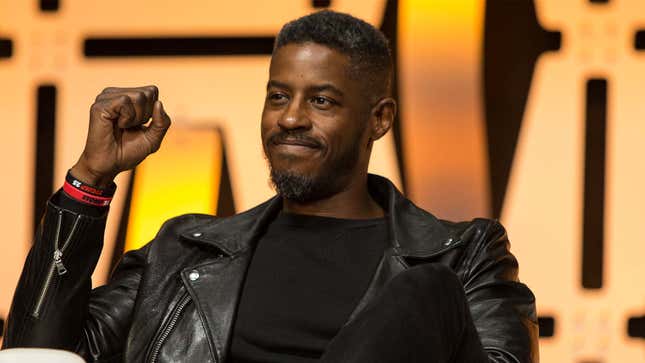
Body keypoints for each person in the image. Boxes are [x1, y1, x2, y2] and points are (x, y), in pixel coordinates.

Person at [2, 10, 538, 363]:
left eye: (321, 101)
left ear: (379, 119)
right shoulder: (182, 253)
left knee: (428, 291)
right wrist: (90, 180)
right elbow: (37, 356)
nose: (290, 119)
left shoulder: (461, 256)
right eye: (278, 97)